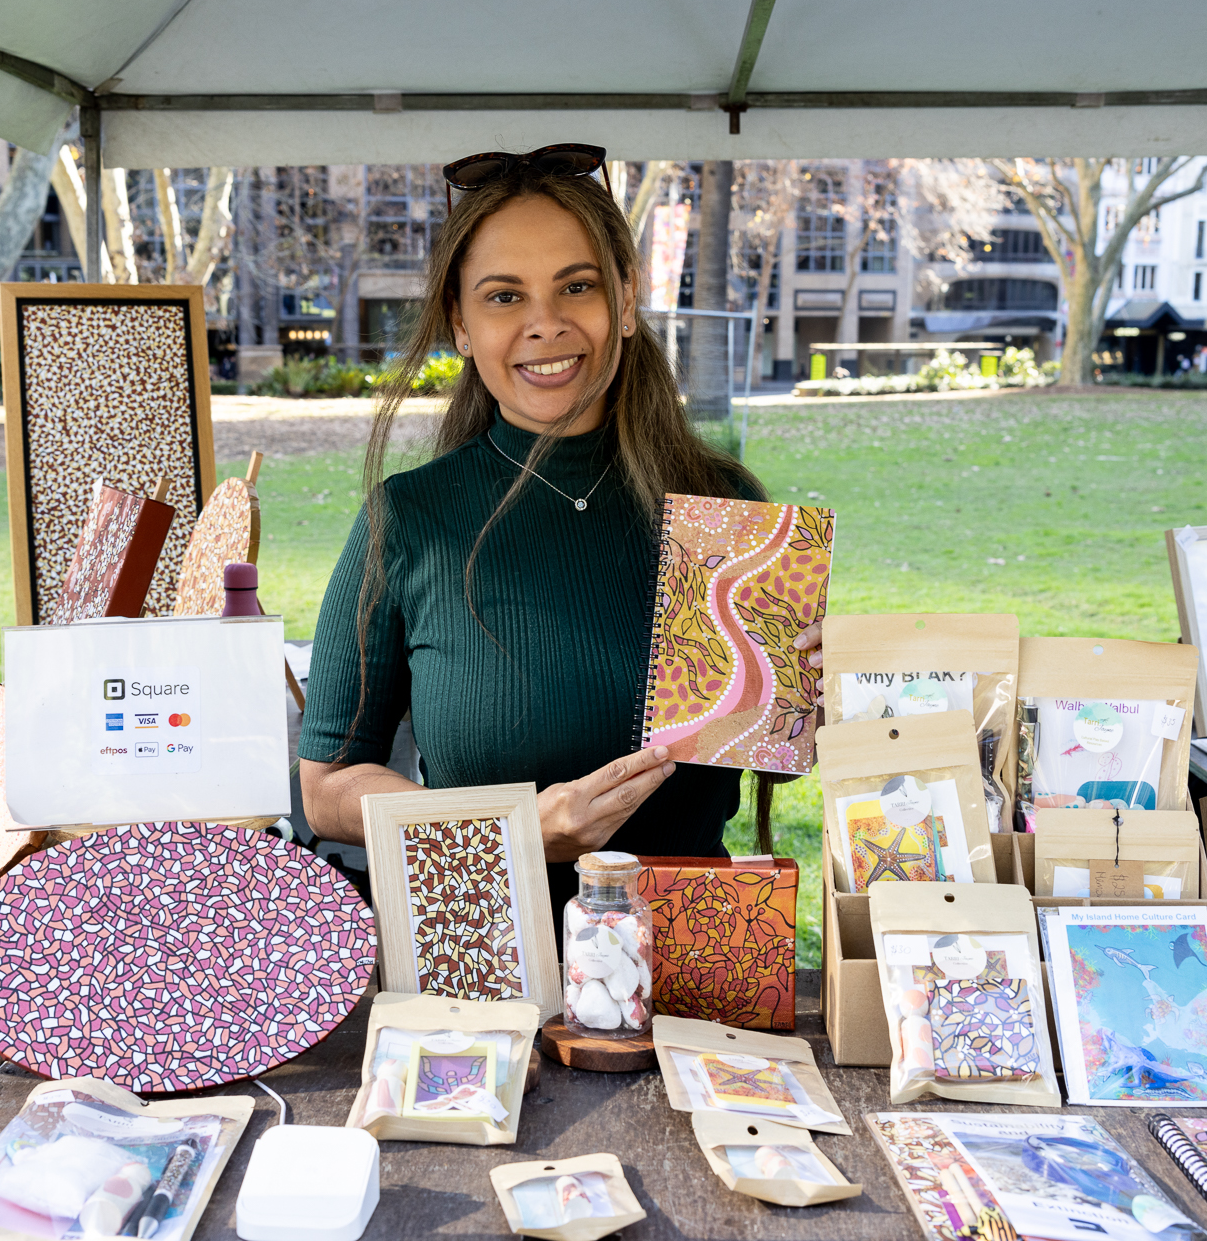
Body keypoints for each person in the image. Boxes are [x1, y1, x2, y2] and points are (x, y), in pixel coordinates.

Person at [297, 144, 819, 913]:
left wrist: (815, 693)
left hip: (696, 957)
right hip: (484, 957)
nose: (546, 324)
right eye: (504, 297)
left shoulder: (721, 508)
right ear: (461, 326)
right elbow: (328, 788)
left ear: (627, 299)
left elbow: (769, 760)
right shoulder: (408, 519)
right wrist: (506, 829)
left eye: (577, 286)